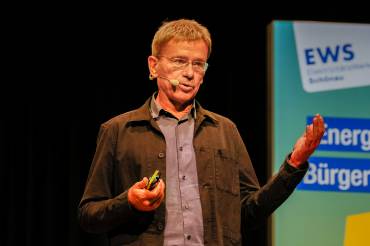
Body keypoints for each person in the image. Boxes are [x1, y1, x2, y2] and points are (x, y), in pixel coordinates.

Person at [78, 19, 325, 246]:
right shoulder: (118, 130)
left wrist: (295, 163)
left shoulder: (225, 131)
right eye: (179, 61)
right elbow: (89, 215)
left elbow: (249, 213)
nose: (189, 73)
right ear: (154, 66)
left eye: (198, 64)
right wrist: (129, 202)